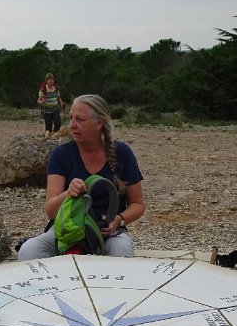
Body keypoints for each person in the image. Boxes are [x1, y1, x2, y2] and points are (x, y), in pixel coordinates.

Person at [18, 94, 145, 260]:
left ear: (98, 123)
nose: (72, 125)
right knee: (29, 250)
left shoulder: (122, 153)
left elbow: (138, 204)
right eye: (71, 118)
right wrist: (67, 194)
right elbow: (50, 211)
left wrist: (118, 220)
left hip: (108, 234)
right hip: (67, 230)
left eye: (79, 120)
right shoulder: (61, 155)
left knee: (121, 249)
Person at [37, 73, 65, 137]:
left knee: (58, 124)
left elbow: (58, 98)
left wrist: (62, 104)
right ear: (46, 80)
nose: (51, 81)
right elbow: (38, 101)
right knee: (48, 128)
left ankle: (54, 135)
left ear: (53, 80)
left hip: (55, 108)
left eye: (52, 79)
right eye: (49, 79)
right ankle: (49, 137)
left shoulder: (56, 88)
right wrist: (42, 102)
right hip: (47, 110)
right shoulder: (43, 89)